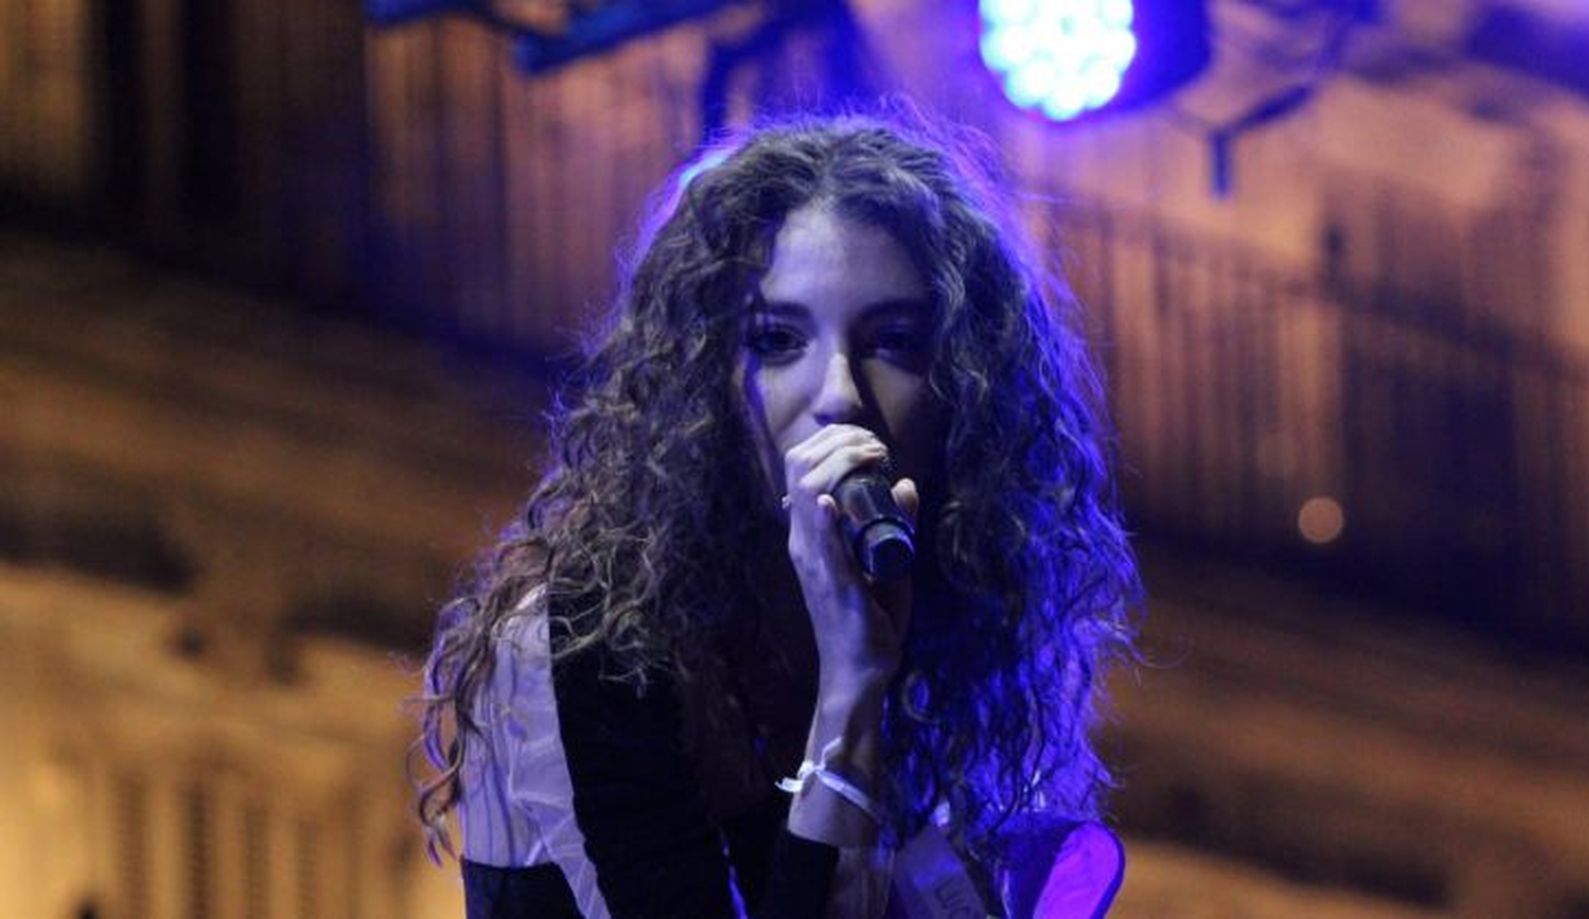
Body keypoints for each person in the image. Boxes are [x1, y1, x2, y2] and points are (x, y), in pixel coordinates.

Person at [413, 111, 1142, 919]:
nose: (840, 394)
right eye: (777, 339)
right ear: (705, 377)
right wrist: (852, 689)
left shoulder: (944, 640)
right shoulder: (585, 644)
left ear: (964, 392)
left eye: (894, 342)